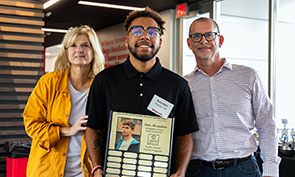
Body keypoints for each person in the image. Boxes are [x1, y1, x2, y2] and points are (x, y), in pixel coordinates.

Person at [85, 7, 199, 177]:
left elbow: (184, 134)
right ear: (126, 40)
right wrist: (97, 168)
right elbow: (93, 127)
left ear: (160, 41)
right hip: (115, 172)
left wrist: (181, 171)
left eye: (153, 32)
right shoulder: (104, 80)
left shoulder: (178, 85)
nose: (145, 36)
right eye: (137, 30)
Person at [184, 17, 281, 177]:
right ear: (189, 43)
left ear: (220, 40)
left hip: (243, 169)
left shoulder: (248, 76)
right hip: (199, 171)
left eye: (209, 35)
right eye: (197, 36)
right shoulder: (184, 84)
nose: (203, 41)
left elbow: (266, 123)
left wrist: (270, 170)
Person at [23, 25, 105, 177]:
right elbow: (31, 124)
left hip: (85, 171)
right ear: (66, 51)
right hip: (48, 169)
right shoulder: (49, 82)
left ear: (93, 51)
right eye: (73, 45)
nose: (79, 50)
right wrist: (67, 130)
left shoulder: (101, 87)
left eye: (85, 45)